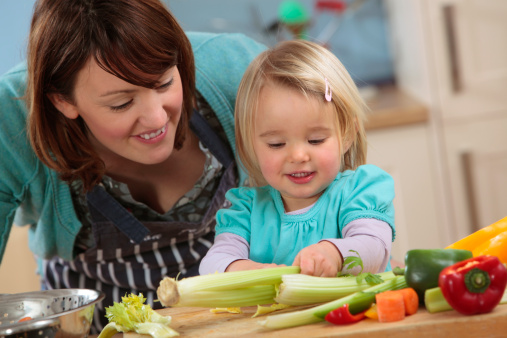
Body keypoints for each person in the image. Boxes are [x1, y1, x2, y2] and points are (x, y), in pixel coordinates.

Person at [0, 0, 265, 332]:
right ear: (62, 101)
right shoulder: (8, 120)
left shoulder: (241, 70)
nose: (157, 118)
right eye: (121, 103)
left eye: (164, 83)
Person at [199, 40, 395, 277]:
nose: (299, 156)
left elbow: (374, 248)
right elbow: (212, 264)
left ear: (346, 135)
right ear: (251, 145)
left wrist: (333, 253)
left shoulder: (360, 192)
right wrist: (245, 270)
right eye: (277, 144)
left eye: (315, 140)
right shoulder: (246, 211)